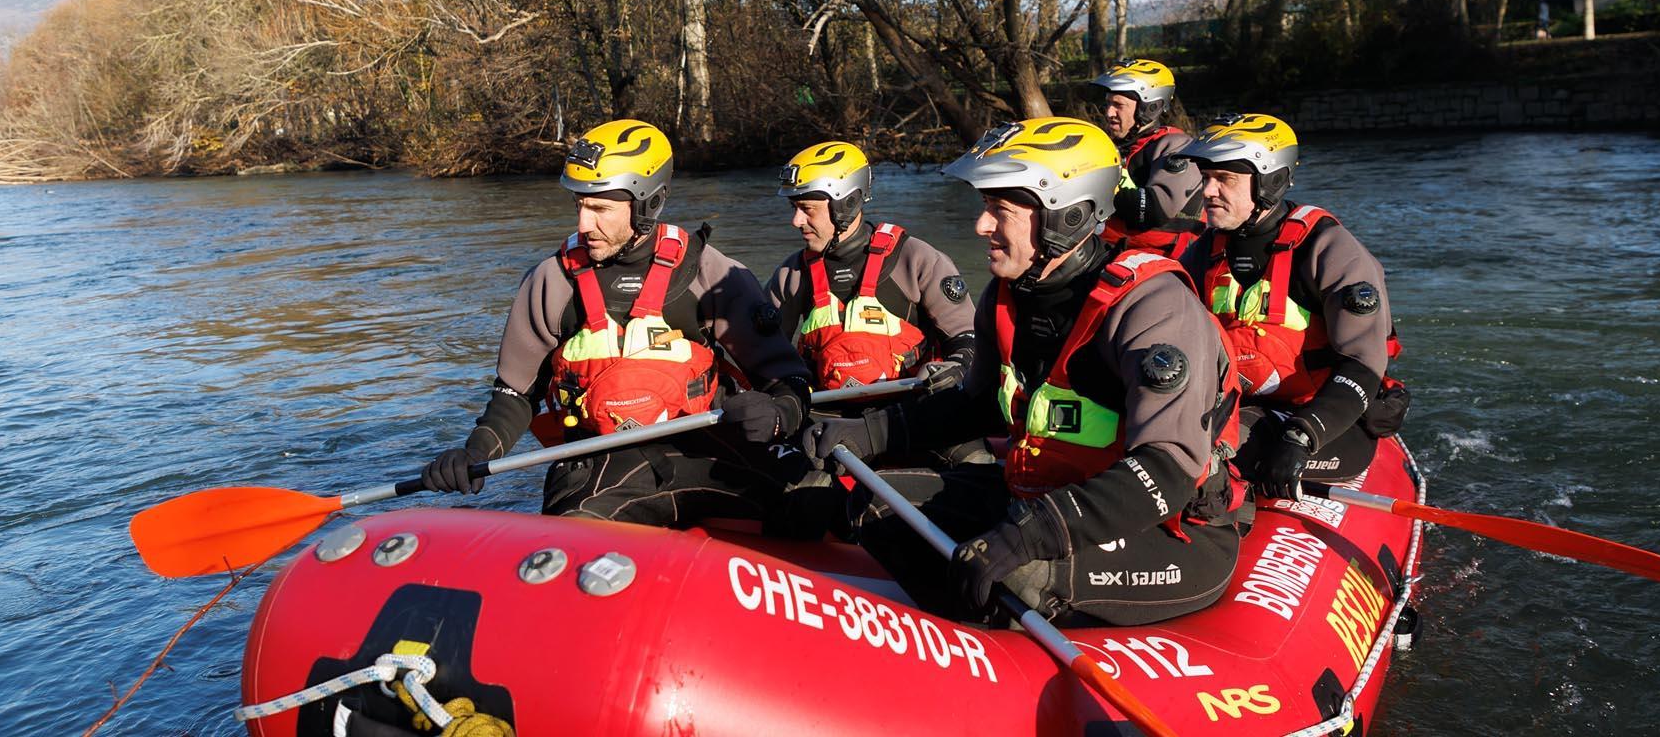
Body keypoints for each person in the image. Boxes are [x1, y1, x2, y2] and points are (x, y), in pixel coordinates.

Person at [804, 118, 1245, 625]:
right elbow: (974, 405)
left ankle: (997, 638)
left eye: (1000, 211)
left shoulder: (1153, 306)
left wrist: (1030, 534)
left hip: (1167, 531)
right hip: (1045, 496)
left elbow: (1166, 472)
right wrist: (870, 432)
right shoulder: (1008, 294)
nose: (981, 226)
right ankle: (955, 633)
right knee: (878, 505)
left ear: (1068, 215)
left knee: (1019, 572)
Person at [420, 119, 815, 528]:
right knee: (580, 524)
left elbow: (789, 380)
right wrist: (476, 452)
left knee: (816, 508)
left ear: (648, 203)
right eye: (580, 205)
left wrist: (778, 414)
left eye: (600, 209)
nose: (583, 224)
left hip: (707, 450)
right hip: (600, 466)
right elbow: (515, 395)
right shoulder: (551, 282)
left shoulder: (710, 274)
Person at [1177, 113, 1408, 502]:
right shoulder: (1202, 253)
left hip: (1327, 423)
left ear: (1269, 181)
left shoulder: (1328, 250)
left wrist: (1303, 435)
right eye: (1205, 178)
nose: (1208, 191)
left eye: (1224, 179)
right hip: (1244, 408)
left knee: (1209, 452)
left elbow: (1363, 365)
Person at [766, 140, 976, 394]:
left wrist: (956, 367)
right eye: (794, 208)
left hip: (910, 405)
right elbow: (766, 352)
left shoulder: (916, 258)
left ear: (847, 203)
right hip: (826, 409)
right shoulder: (792, 274)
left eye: (807, 209)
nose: (796, 220)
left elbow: (967, 338)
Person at [1092, 59, 1205, 258]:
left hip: (1162, 260)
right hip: (1112, 251)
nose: (1109, 113)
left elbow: (1155, 209)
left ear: (1149, 107)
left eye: (1118, 105)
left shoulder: (1175, 146)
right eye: (1108, 103)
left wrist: (1090, 188)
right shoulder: (1114, 146)